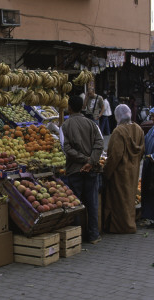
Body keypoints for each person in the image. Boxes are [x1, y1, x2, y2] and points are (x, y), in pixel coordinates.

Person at [62, 95, 104, 244]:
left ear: (69, 108)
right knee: (92, 203)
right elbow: (100, 143)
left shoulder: (66, 125)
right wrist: (91, 161)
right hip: (91, 170)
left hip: (75, 170)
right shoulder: (92, 124)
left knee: (76, 204)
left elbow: (66, 148)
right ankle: (93, 235)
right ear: (82, 107)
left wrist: (83, 160)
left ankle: (76, 236)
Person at [103, 104, 145, 233]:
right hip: (133, 171)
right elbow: (142, 150)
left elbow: (115, 155)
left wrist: (106, 172)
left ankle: (122, 226)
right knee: (129, 198)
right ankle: (130, 222)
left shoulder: (118, 131)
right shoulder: (138, 129)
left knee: (119, 199)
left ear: (117, 116)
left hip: (120, 172)